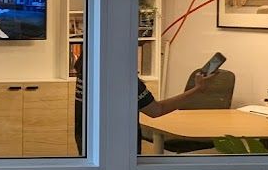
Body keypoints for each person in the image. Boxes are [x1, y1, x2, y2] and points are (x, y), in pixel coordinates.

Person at [72, 53, 215, 155]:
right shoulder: (120, 74)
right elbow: (156, 110)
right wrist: (198, 90)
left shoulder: (89, 61)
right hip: (118, 151)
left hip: (89, 145)